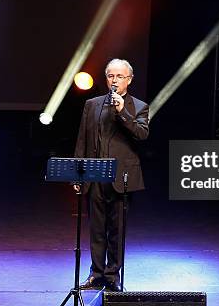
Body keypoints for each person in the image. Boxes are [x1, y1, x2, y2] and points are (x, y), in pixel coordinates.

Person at [74, 59, 149, 292]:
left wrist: (122, 111)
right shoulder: (92, 104)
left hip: (121, 178)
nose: (114, 80)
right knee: (96, 229)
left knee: (117, 230)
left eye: (119, 76)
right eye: (110, 76)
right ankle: (96, 274)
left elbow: (141, 135)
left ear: (129, 80)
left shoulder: (138, 106)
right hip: (96, 176)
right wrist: (79, 174)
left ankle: (112, 275)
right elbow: (82, 140)